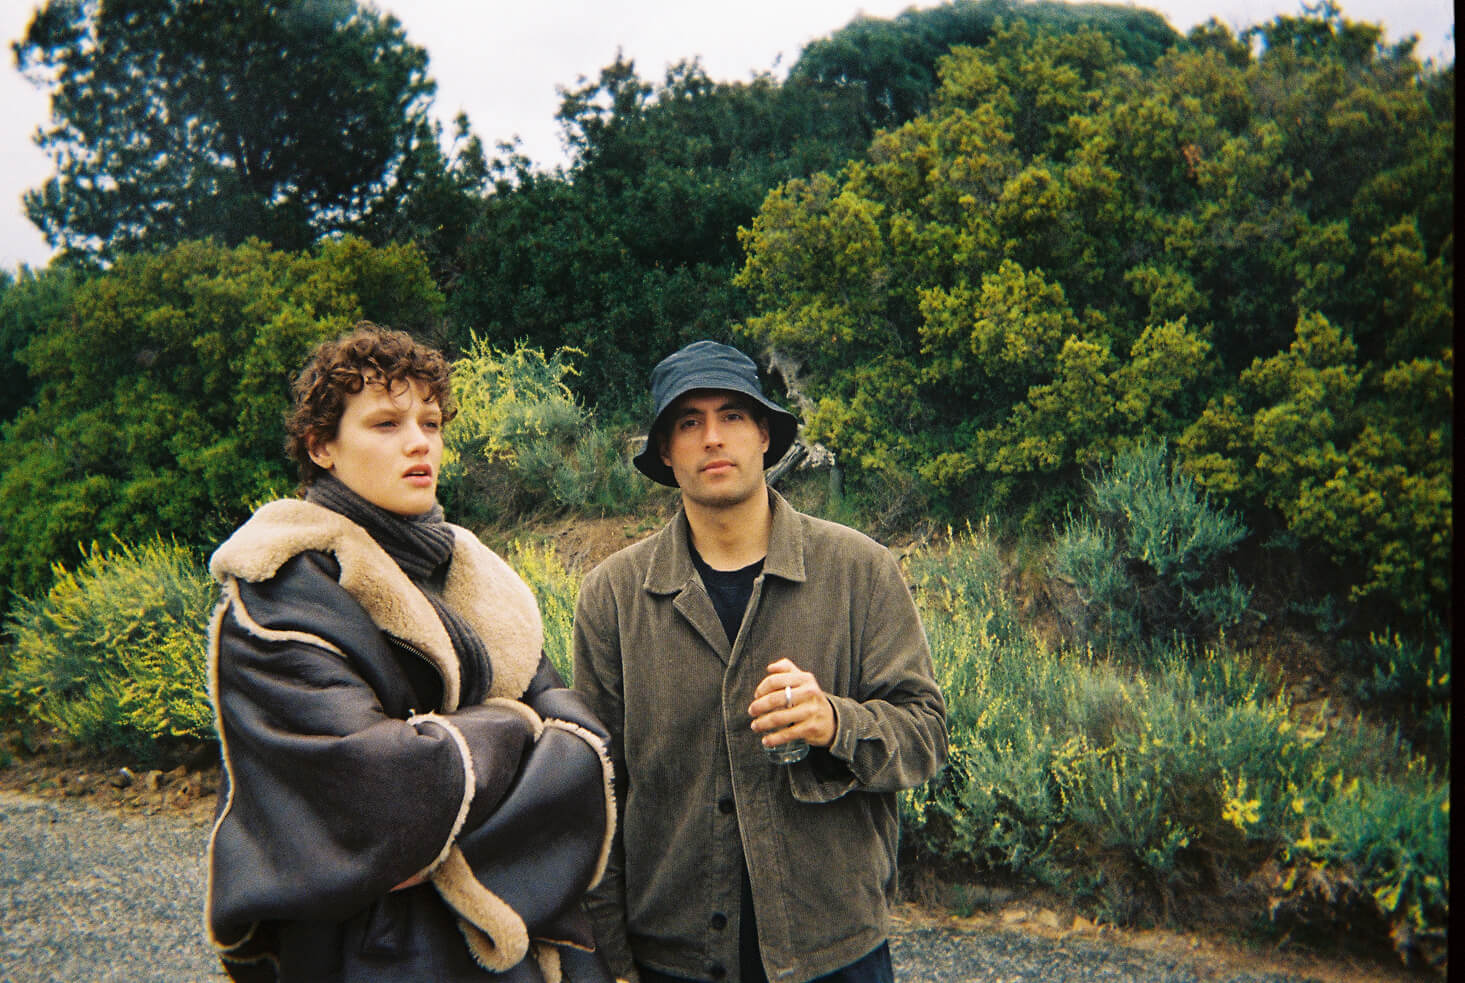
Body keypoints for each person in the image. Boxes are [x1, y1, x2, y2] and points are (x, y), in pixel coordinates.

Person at [205, 322, 616, 982]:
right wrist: (516, 724)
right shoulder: (278, 597)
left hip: (511, 957)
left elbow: (585, 748)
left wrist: (444, 775)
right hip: (374, 959)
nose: (419, 440)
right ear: (322, 447)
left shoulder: (475, 578)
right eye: (386, 423)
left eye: (429, 420)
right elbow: (381, 800)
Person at [572, 340, 947, 983]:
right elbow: (595, 791)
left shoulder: (861, 571)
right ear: (665, 452)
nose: (713, 438)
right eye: (688, 423)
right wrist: (614, 959)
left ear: (765, 435)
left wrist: (835, 722)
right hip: (671, 960)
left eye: (733, 416)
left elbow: (926, 735)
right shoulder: (612, 596)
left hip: (835, 952)